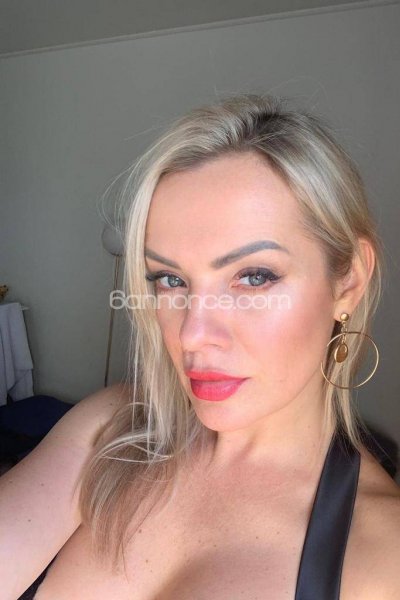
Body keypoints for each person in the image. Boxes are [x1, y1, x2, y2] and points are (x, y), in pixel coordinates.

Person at [1, 93, 399, 600]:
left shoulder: (383, 560)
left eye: (253, 276)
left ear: (349, 282)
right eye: (170, 280)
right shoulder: (112, 428)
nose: (191, 334)